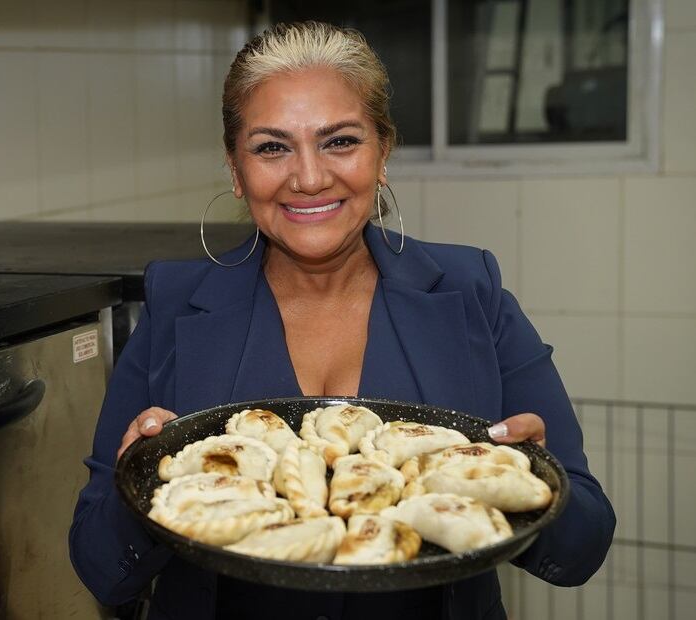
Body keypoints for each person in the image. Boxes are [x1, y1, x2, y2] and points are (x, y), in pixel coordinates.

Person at [70, 21, 614, 620]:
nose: (309, 177)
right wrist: (137, 490)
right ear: (235, 169)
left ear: (384, 152)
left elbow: (583, 547)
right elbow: (101, 568)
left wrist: (538, 485)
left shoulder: (470, 294)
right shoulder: (176, 305)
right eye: (272, 147)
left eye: (340, 141)